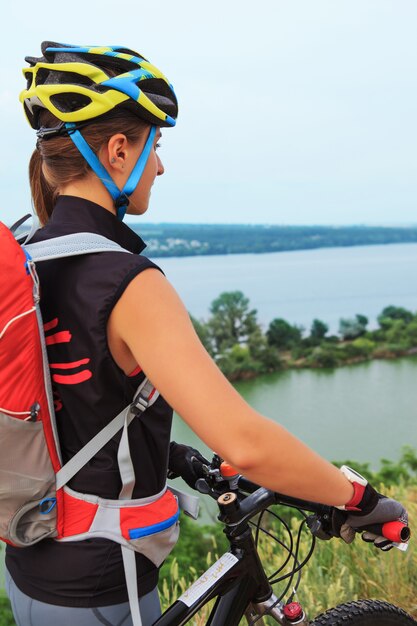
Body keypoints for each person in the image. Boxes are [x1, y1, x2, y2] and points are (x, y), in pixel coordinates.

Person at [5, 41, 408, 626]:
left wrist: (174, 455)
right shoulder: (126, 281)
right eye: (155, 146)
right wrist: (361, 501)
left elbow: (65, 411)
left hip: (32, 571)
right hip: (104, 581)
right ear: (118, 151)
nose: (160, 166)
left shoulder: (27, 260)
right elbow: (247, 442)